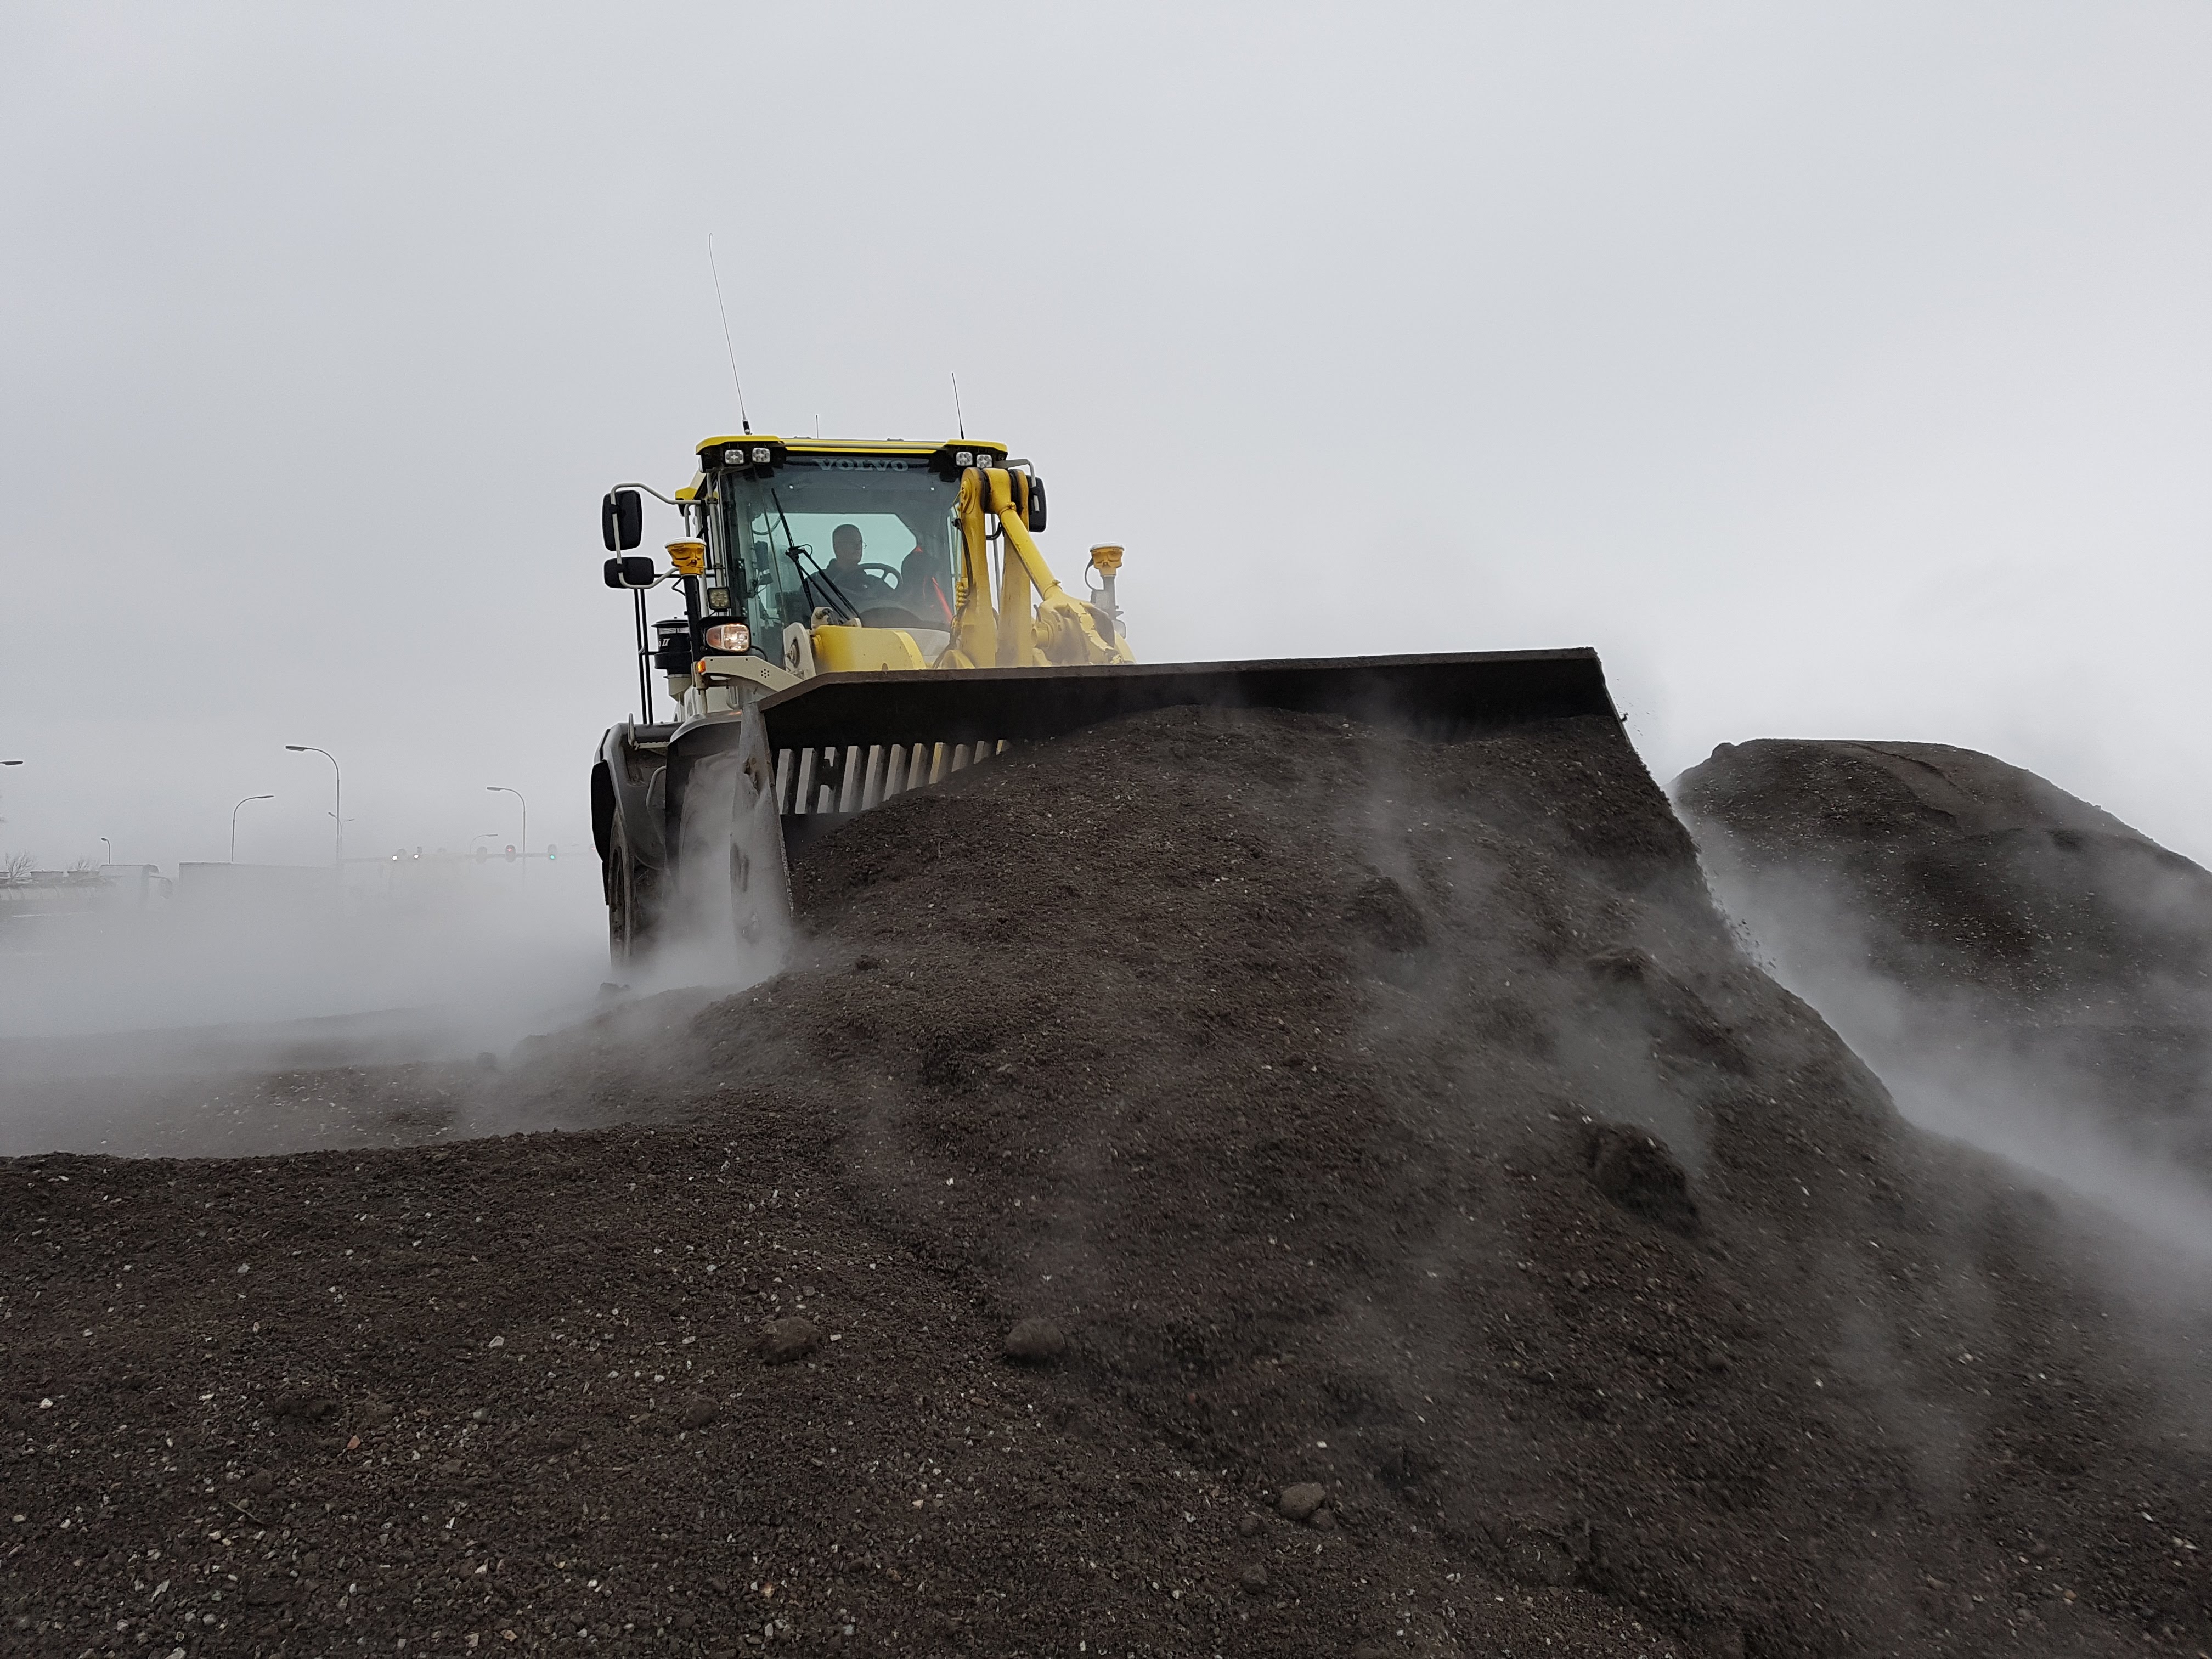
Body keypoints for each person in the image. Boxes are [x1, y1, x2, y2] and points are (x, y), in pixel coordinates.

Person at [820, 523, 897, 618]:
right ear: (837, 547)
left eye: (860, 543)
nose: (858, 547)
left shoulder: (875, 583)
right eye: (852, 543)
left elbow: (898, 605)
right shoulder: (818, 583)